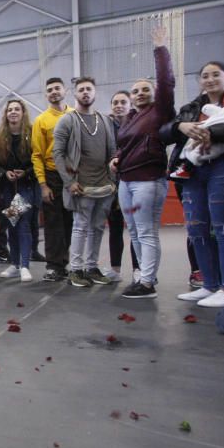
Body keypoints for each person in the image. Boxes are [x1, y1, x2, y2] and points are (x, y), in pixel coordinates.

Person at [163, 61, 224, 308]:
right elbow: (163, 133)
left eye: (215, 75)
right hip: (194, 171)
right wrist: (180, 126)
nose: (210, 79)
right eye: (205, 75)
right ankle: (209, 284)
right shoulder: (191, 108)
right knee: (196, 228)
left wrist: (214, 134)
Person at [109, 27, 175, 299]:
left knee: (146, 231)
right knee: (134, 231)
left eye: (144, 89)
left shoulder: (160, 110)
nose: (139, 93)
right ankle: (141, 277)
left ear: (153, 92)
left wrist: (160, 49)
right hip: (126, 181)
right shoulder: (131, 118)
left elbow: (167, 82)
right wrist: (117, 159)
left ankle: (148, 283)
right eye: (135, 91)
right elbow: (127, 145)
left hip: (149, 181)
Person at [52, 78, 117, 289]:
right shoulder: (67, 120)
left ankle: (91, 267)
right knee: (80, 227)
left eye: (89, 89)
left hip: (105, 186)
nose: (86, 92)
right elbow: (58, 154)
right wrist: (69, 182)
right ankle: (76, 269)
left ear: (95, 92)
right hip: (81, 186)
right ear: (75, 94)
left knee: (98, 227)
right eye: (81, 90)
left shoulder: (105, 120)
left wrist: (113, 181)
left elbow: (113, 152)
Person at [32, 77, 74, 282]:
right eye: (50, 90)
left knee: (72, 222)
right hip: (52, 176)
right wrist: (43, 184)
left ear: (65, 90)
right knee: (53, 223)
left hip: (74, 176)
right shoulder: (41, 120)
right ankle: (53, 265)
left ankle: (66, 261)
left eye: (57, 88)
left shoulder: (76, 115)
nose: (54, 92)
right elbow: (37, 155)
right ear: (46, 95)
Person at [0, 100, 37, 282]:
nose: (13, 112)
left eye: (17, 109)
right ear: (6, 114)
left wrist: (25, 172)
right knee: (11, 224)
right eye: (10, 110)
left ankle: (24, 265)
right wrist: (4, 173)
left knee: (23, 223)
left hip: (26, 186)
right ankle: (15, 264)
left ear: (23, 112)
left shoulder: (32, 133)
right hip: (7, 187)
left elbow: (37, 159)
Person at [105, 90, 140, 283]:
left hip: (134, 181)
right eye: (115, 102)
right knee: (115, 228)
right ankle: (115, 269)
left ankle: (138, 269)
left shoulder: (139, 123)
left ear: (130, 104)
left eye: (123, 102)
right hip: (111, 184)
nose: (119, 105)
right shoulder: (105, 126)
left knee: (136, 228)